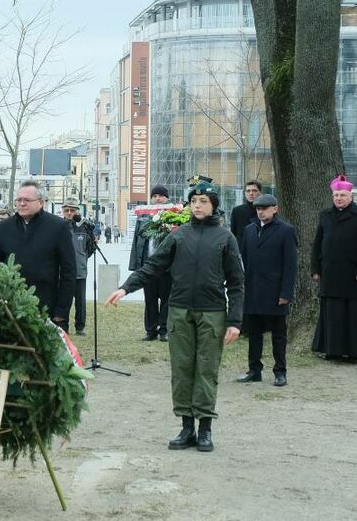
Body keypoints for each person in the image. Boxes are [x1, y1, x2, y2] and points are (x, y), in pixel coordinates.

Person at [106, 180, 244, 453]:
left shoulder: (225, 238)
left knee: (206, 369)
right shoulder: (179, 235)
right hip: (179, 311)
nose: (198, 206)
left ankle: (205, 429)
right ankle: (186, 427)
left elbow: (237, 282)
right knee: (181, 369)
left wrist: (235, 321)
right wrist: (125, 287)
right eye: (194, 202)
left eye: (203, 201)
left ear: (213, 205)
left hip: (212, 313)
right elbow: (152, 266)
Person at [0, 182, 77, 331]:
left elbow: (69, 271)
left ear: (41, 202)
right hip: (10, 308)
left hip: (46, 307)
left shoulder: (58, 227)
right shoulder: (3, 228)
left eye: (27, 200)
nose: (21, 204)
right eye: (19, 200)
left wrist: (62, 311)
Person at [310, 175, 357, 361]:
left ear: (351, 197)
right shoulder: (325, 215)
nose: (339, 198)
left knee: (351, 313)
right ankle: (331, 349)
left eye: (342, 195)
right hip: (329, 271)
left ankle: (352, 351)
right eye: (336, 195)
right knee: (331, 312)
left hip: (351, 273)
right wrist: (315, 268)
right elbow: (317, 243)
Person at [235, 193, 296, 386]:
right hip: (253, 291)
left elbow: (290, 265)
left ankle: (280, 371)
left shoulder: (286, 230)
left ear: (275, 209)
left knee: (279, 335)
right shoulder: (250, 230)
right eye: (258, 209)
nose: (261, 212)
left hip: (275, 292)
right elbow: (244, 260)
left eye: (264, 208)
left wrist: (286, 293)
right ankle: (254, 370)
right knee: (254, 334)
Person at [129, 184, 173, 342]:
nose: (158, 199)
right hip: (148, 265)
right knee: (150, 299)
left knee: (167, 299)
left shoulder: (174, 216)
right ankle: (151, 330)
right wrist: (135, 265)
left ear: (167, 198)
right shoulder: (143, 217)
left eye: (161, 196)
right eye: (155, 196)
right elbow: (137, 241)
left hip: (167, 267)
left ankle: (164, 330)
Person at [61, 198, 98, 336]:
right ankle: (63, 326)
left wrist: (82, 257)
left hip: (80, 270)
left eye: (72, 210)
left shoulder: (84, 227)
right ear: (63, 211)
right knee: (64, 300)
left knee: (80, 302)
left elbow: (91, 247)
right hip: (63, 272)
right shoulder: (58, 226)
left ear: (77, 211)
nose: (69, 213)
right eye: (66, 210)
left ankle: (80, 327)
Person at [228, 180, 263, 247]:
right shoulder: (237, 211)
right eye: (248, 191)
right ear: (245, 193)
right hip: (242, 251)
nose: (251, 193)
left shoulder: (266, 210)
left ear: (260, 192)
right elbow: (233, 234)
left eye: (254, 190)